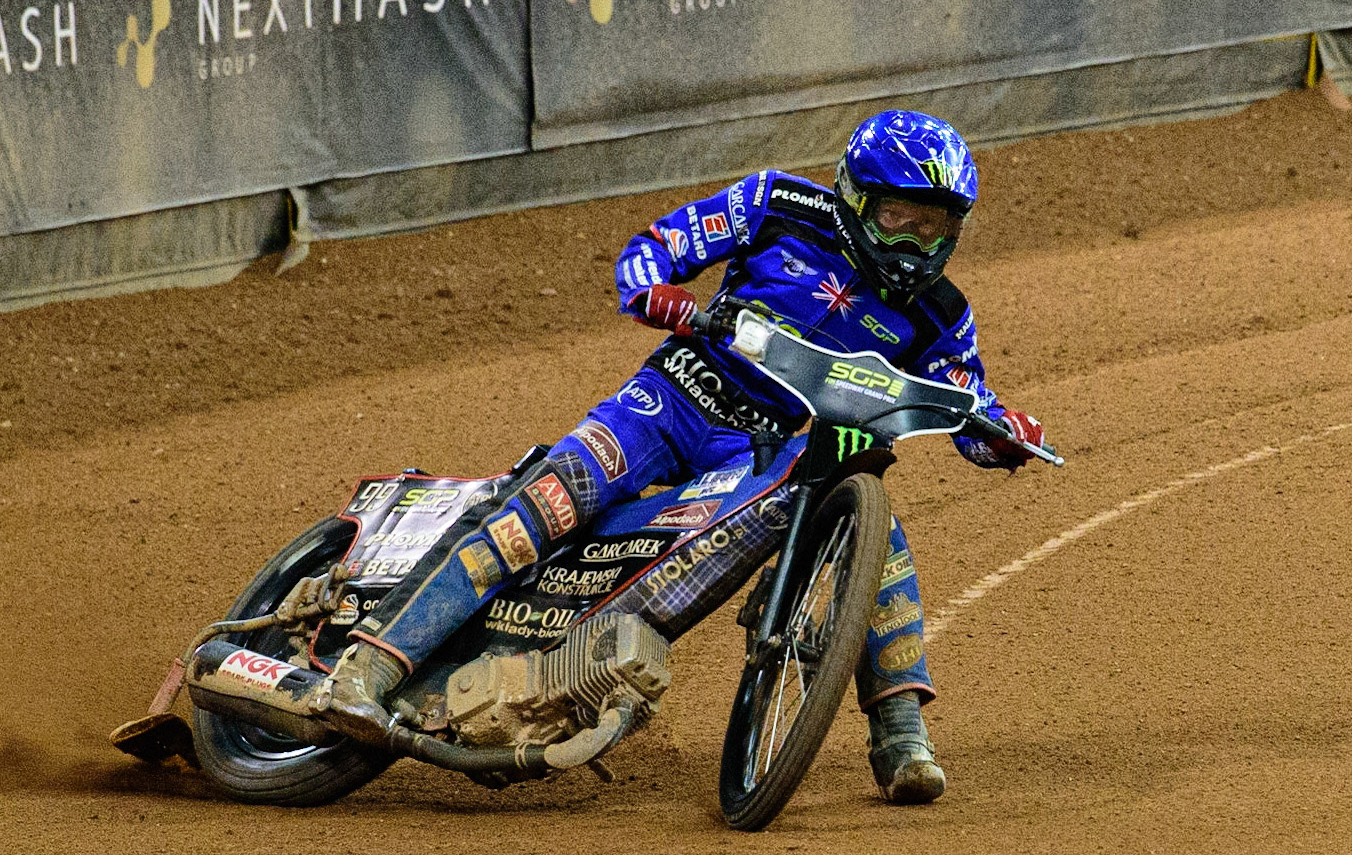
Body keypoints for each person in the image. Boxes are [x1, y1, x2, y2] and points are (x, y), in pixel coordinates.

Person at [319, 110, 1047, 804]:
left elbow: (963, 409)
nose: (917, 244)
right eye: (902, 220)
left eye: (937, 227)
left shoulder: (944, 314)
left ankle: (901, 737)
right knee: (546, 503)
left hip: (767, 448)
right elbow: (655, 249)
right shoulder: (776, 201)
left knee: (869, 522)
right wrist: (656, 293)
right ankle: (371, 665)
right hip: (674, 398)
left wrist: (1004, 431)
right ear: (857, 197)